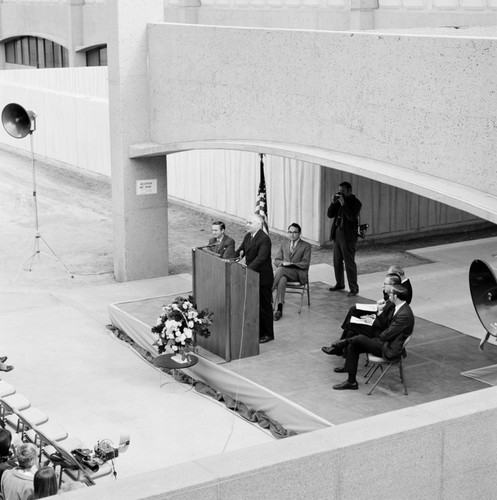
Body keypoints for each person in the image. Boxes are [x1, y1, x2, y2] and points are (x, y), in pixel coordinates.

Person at [333, 284, 415, 390]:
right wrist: (380, 313)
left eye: (390, 293)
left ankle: (343, 343)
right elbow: (386, 327)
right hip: (385, 341)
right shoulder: (398, 307)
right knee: (353, 346)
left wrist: (379, 333)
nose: (388, 294)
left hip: (389, 347)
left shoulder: (404, 314)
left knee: (359, 338)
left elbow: (387, 334)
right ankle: (351, 381)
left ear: (395, 296)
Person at [322, 273, 401, 357]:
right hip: (377, 321)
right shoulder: (389, 295)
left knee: (351, 324)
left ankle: (339, 347)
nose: (382, 286)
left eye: (385, 284)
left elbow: (386, 323)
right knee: (352, 319)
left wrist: (374, 316)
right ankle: (343, 353)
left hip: (378, 330)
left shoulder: (395, 300)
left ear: (393, 286)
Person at [236, 214, 274, 343]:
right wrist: (230, 259)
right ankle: (259, 332)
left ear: (258, 225)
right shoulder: (248, 236)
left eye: (250, 223)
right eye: (247, 222)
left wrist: (247, 269)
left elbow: (261, 259)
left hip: (263, 278)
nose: (247, 225)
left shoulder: (264, 239)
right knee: (255, 306)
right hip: (253, 277)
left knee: (265, 306)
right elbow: (241, 251)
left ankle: (268, 334)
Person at [327, 181, 362, 297]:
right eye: (339, 191)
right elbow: (330, 214)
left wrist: (343, 204)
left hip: (348, 236)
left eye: (342, 191)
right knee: (337, 261)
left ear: (349, 191)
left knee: (349, 262)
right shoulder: (339, 201)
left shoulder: (356, 203)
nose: (340, 193)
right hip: (337, 233)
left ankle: (354, 288)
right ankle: (340, 283)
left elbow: (351, 217)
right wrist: (333, 203)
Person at [272, 223, 312, 321]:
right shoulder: (284, 243)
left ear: (299, 233)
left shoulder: (306, 246)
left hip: (298, 274)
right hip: (285, 273)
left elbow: (305, 263)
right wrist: (283, 263)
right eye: (290, 232)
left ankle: (269, 292)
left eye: (295, 232)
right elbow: (277, 260)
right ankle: (279, 309)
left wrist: (291, 263)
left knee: (281, 270)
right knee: (282, 279)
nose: (292, 234)